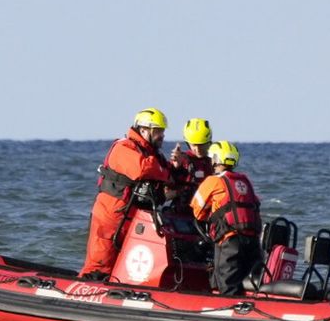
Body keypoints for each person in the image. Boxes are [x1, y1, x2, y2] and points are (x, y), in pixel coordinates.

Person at [80, 108, 177, 279]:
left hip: (134, 217)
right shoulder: (124, 147)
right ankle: (87, 288)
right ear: (144, 130)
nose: (161, 135)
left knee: (126, 266)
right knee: (100, 262)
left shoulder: (153, 154)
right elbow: (142, 169)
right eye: (157, 131)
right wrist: (162, 169)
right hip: (111, 215)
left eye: (162, 131)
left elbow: (166, 174)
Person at [190, 140, 263, 296]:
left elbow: (197, 210)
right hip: (253, 242)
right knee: (249, 283)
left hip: (230, 241)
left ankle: (227, 311)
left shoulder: (213, 181)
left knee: (227, 283)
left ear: (215, 159)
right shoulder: (244, 180)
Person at [170, 118, 216, 185]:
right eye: (194, 145)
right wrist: (175, 168)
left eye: (201, 145)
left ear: (208, 142)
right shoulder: (181, 160)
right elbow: (168, 187)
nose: (197, 149)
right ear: (188, 143)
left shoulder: (215, 162)